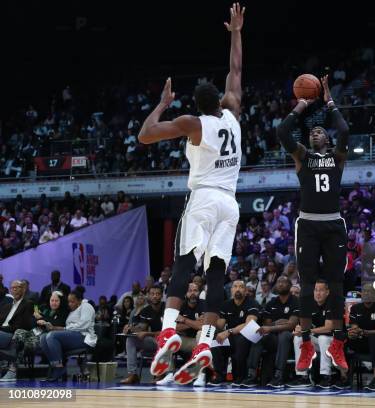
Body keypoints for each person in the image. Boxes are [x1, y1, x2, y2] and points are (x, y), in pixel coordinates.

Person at [138, 3, 245, 385]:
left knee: (184, 267)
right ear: (220, 100)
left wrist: (163, 105)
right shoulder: (232, 113)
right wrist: (235, 31)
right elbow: (235, 71)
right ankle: (205, 343)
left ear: (195, 106)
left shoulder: (191, 123)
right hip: (230, 204)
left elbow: (145, 135)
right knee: (216, 276)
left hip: (202, 198)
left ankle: (168, 331)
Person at [276, 73, 350, 376]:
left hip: (333, 223)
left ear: (328, 139)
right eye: (312, 132)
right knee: (306, 285)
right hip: (307, 224)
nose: (314, 134)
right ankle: (306, 342)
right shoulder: (302, 157)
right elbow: (283, 132)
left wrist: (329, 99)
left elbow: (344, 129)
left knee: (335, 285)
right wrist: (301, 106)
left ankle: (338, 343)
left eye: (319, 132)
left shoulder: (338, 158)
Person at [290, 279, 349, 389]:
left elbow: (328, 328)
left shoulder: (333, 303)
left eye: (321, 290)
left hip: (336, 341)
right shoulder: (309, 304)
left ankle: (326, 376)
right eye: (316, 290)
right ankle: (303, 377)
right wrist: (299, 329)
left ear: (327, 292)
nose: (318, 293)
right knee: (299, 338)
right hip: (319, 340)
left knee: (323, 338)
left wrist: (307, 331)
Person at [242, 276, 299, 387]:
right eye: (278, 282)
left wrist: (272, 327)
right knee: (258, 335)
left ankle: (279, 375)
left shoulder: (296, 301)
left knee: (284, 334)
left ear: (289, 285)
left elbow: (291, 325)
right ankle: (251, 375)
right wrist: (276, 323)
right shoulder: (272, 302)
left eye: (284, 282)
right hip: (273, 338)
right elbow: (267, 324)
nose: (281, 284)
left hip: (291, 339)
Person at [39, 290, 97, 382]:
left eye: (72, 302)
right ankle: (55, 366)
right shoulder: (72, 311)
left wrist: (64, 329)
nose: (69, 304)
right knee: (43, 338)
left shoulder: (86, 306)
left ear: (79, 300)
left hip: (84, 337)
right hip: (73, 336)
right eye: (68, 302)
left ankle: (59, 367)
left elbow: (83, 325)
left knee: (51, 336)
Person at [210, 279, 259, 386]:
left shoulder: (252, 303)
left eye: (241, 287)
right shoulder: (226, 304)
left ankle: (240, 376)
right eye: (235, 286)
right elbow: (220, 325)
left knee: (241, 341)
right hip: (232, 336)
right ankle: (220, 375)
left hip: (249, 336)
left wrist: (228, 331)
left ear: (246, 291)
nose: (238, 289)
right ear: (231, 290)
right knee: (215, 341)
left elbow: (249, 324)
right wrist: (209, 317)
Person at [157, 283, 208, 386]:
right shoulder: (179, 306)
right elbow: (172, 327)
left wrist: (184, 320)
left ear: (199, 293)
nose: (193, 293)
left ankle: (201, 375)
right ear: (185, 293)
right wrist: (194, 323)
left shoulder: (204, 304)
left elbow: (203, 326)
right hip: (186, 341)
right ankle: (170, 374)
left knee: (200, 333)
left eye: (195, 290)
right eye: (190, 291)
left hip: (200, 342)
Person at [346, 284, 375, 391]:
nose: (366, 294)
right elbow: (354, 327)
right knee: (343, 337)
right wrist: (353, 332)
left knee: (374, 338)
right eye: (364, 291)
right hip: (360, 340)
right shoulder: (355, 308)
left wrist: (363, 331)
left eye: (370, 292)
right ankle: (344, 376)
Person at [0, 280, 35, 382]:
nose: (14, 289)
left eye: (17, 287)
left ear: (23, 289)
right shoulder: (7, 305)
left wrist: (2, 328)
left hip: (11, 333)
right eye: (12, 288)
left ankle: (12, 371)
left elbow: (21, 325)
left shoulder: (28, 304)